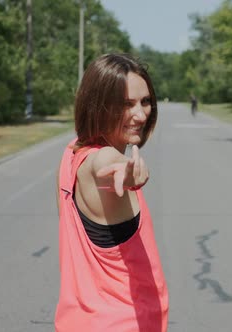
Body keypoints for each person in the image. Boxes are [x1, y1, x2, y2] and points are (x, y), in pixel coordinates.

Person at [55, 54, 168, 332]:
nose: (141, 115)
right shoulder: (104, 162)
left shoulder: (72, 153)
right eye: (126, 104)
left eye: (145, 101)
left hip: (79, 321)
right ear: (99, 105)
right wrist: (130, 172)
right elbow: (106, 164)